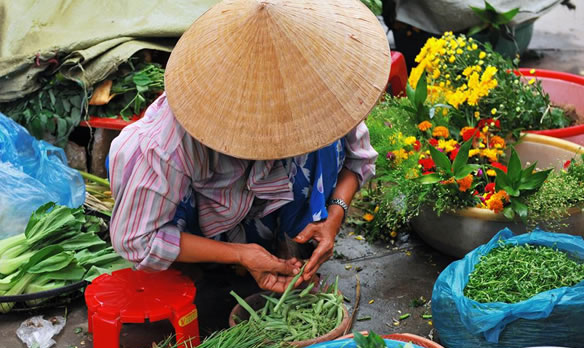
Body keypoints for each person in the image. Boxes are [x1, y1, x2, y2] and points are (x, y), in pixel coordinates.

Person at [108, 0, 390, 293]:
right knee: (177, 226)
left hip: (262, 204)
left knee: (327, 145)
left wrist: (334, 216)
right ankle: (209, 263)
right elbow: (136, 238)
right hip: (207, 220)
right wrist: (239, 254)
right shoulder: (168, 145)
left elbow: (358, 159)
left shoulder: (320, 94)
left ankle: (291, 244)